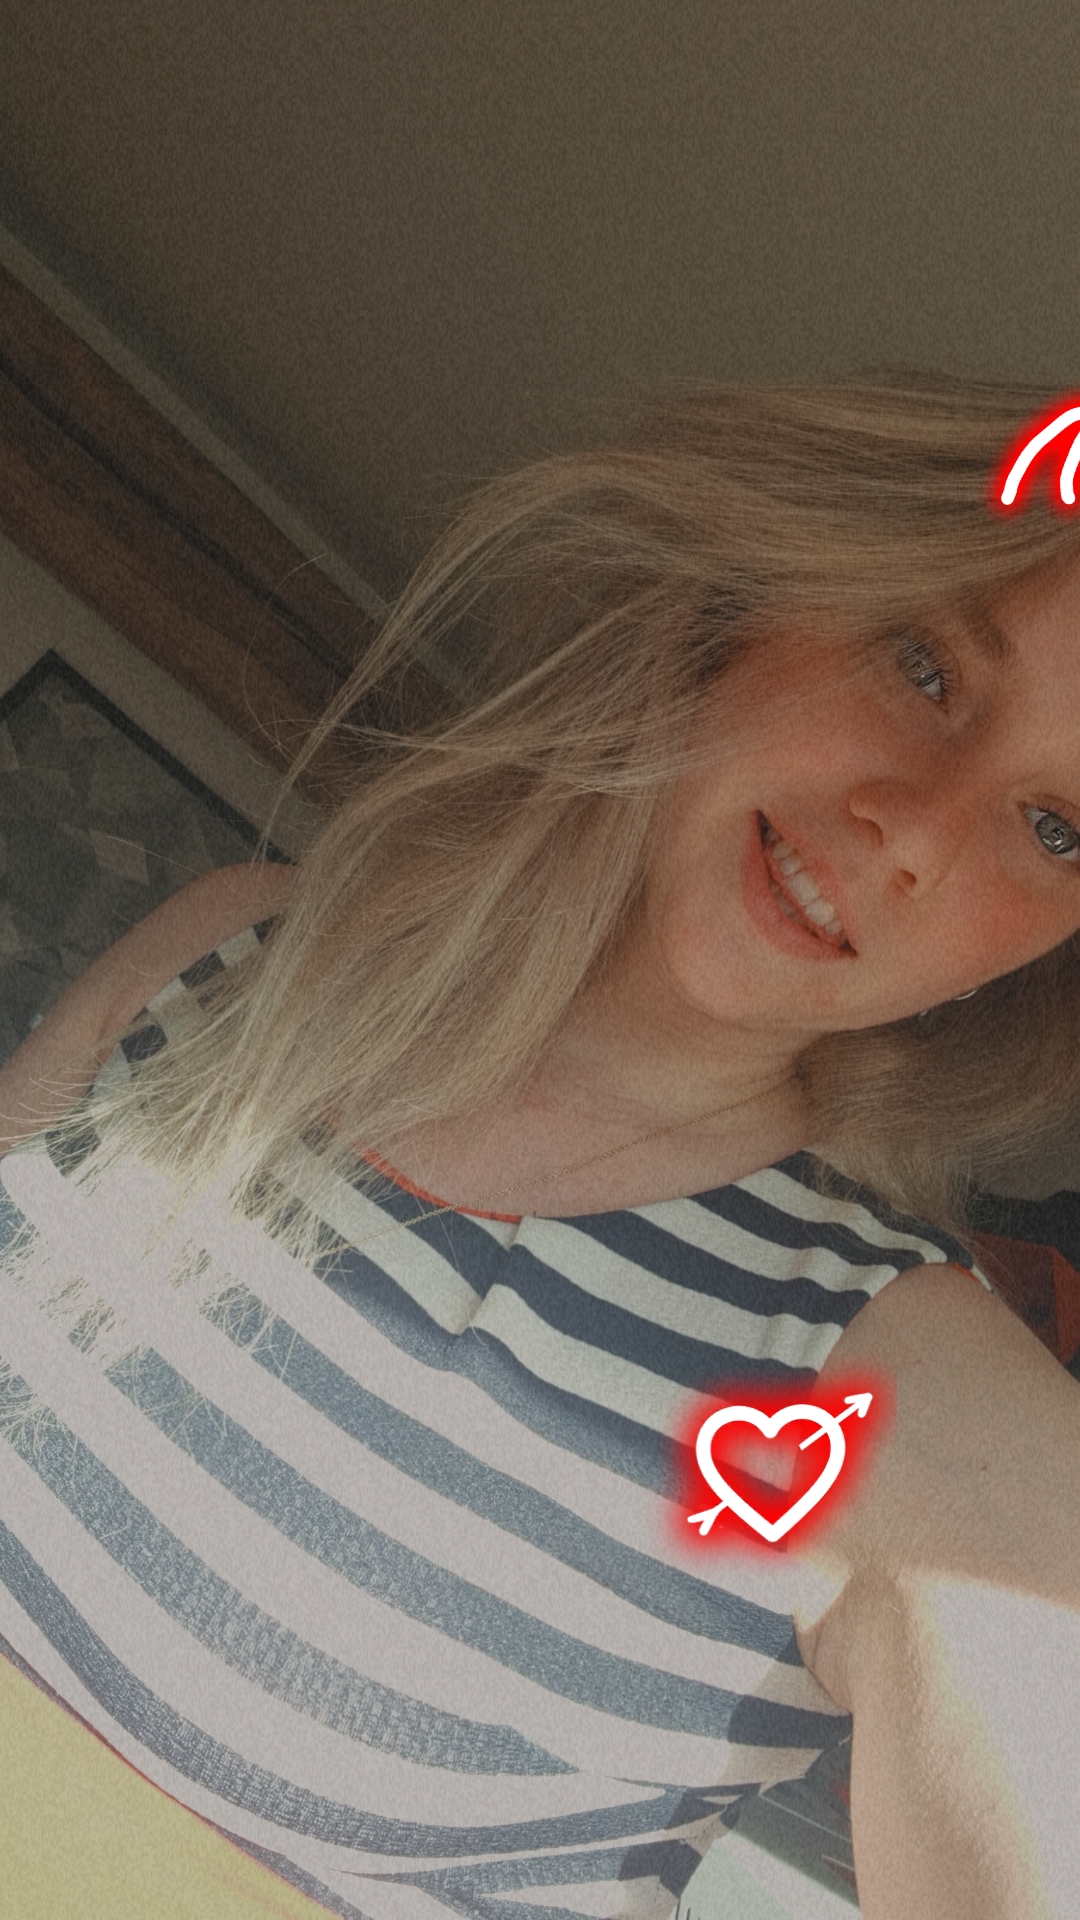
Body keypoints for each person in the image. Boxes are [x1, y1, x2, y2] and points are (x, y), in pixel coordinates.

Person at [1, 378, 1080, 1920]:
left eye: (1058, 829)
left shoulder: (906, 1399)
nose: (915, 829)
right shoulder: (233, 954)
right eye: (927, 666)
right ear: (759, 595)